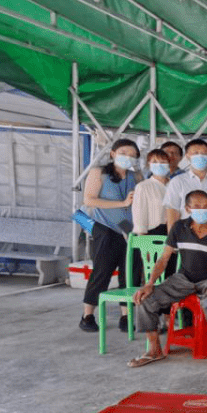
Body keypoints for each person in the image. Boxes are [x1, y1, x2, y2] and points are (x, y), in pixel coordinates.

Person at [127, 190, 207, 367]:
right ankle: (154, 350)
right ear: (188, 209)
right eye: (197, 206)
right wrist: (150, 283)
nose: (203, 209)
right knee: (145, 299)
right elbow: (164, 259)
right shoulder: (178, 228)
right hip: (183, 279)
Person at [79, 138, 141, 333]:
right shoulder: (99, 173)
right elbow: (89, 200)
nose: (127, 157)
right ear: (113, 153)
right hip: (105, 228)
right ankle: (87, 315)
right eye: (123, 153)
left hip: (129, 230)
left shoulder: (136, 175)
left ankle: (126, 316)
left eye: (132, 155)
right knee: (102, 272)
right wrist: (122, 203)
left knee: (130, 274)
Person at [163, 139, 207, 230]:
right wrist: (172, 238)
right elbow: (172, 212)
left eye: (204, 153)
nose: (200, 156)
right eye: (195, 153)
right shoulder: (177, 181)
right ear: (187, 156)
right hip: (184, 232)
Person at [132, 148, 171, 236]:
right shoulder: (143, 187)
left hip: (174, 232)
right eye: (155, 162)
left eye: (163, 162)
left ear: (169, 164)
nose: (159, 165)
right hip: (153, 233)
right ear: (149, 164)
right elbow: (140, 217)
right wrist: (144, 243)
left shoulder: (175, 184)